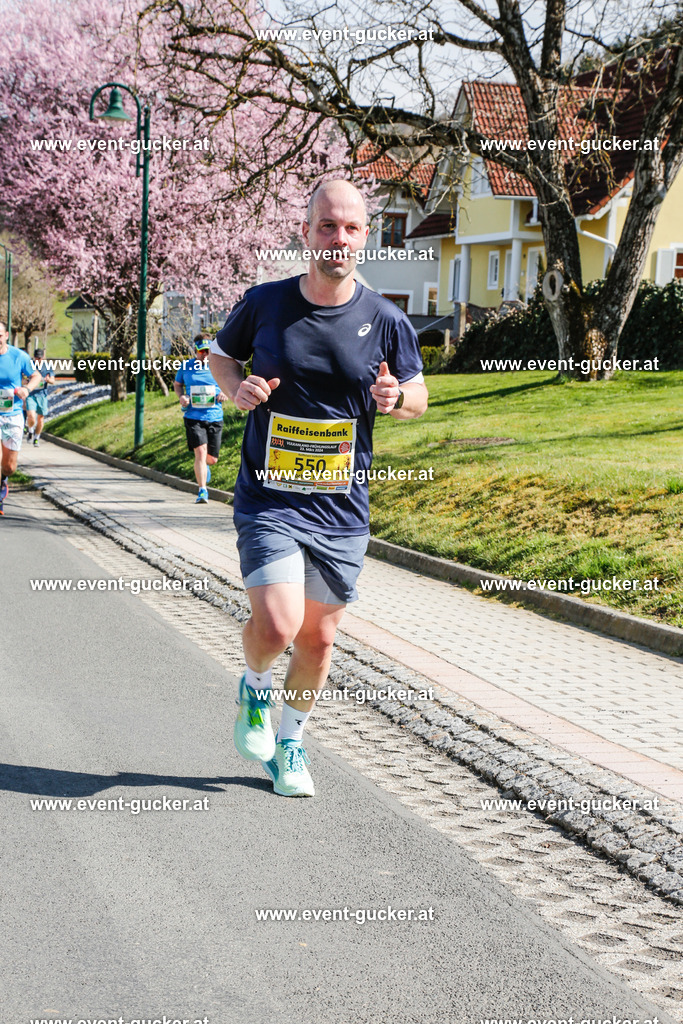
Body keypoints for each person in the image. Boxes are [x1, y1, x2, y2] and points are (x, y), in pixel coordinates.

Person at [210, 179, 428, 798]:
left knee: (319, 638)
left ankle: (291, 746)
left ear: (366, 236)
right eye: (326, 226)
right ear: (305, 232)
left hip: (342, 508)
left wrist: (397, 398)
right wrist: (236, 390)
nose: (338, 238)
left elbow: (418, 394)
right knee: (278, 626)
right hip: (270, 496)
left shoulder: (385, 319)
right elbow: (221, 358)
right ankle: (255, 688)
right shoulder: (266, 302)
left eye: (351, 227)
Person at [173, 334, 228, 503]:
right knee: (201, 452)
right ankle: (202, 490)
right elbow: (177, 384)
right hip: (193, 416)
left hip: (214, 416)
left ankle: (204, 467)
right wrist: (182, 397)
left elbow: (228, 383)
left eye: (207, 351)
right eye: (201, 351)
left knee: (211, 458)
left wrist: (225, 392)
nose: (204, 354)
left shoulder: (218, 366)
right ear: (195, 351)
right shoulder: (186, 366)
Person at [0, 321, 43, 514]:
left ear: (6, 335)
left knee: (9, 466)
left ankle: (3, 479)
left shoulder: (19, 356)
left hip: (12, 415)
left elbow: (36, 376)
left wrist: (26, 388)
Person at [25, 348, 56, 446]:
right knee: (31, 416)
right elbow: (23, 379)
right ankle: (30, 430)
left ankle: (36, 437)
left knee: (40, 419)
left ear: (43, 357)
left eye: (40, 358)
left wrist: (47, 380)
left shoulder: (47, 367)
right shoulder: (30, 366)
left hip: (42, 395)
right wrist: (26, 382)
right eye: (36, 358)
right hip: (31, 394)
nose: (38, 360)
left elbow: (53, 380)